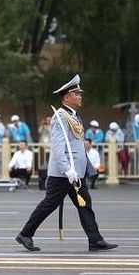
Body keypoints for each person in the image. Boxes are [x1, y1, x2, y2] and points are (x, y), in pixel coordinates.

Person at [16, 74, 117, 252]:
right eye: (76, 94)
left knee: (85, 203)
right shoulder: (60, 117)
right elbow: (58, 147)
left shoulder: (73, 116)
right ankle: (25, 234)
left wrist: (77, 170)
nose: (80, 96)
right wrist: (67, 169)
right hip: (64, 173)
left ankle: (95, 240)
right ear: (66, 97)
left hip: (75, 173)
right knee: (49, 204)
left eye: (79, 93)